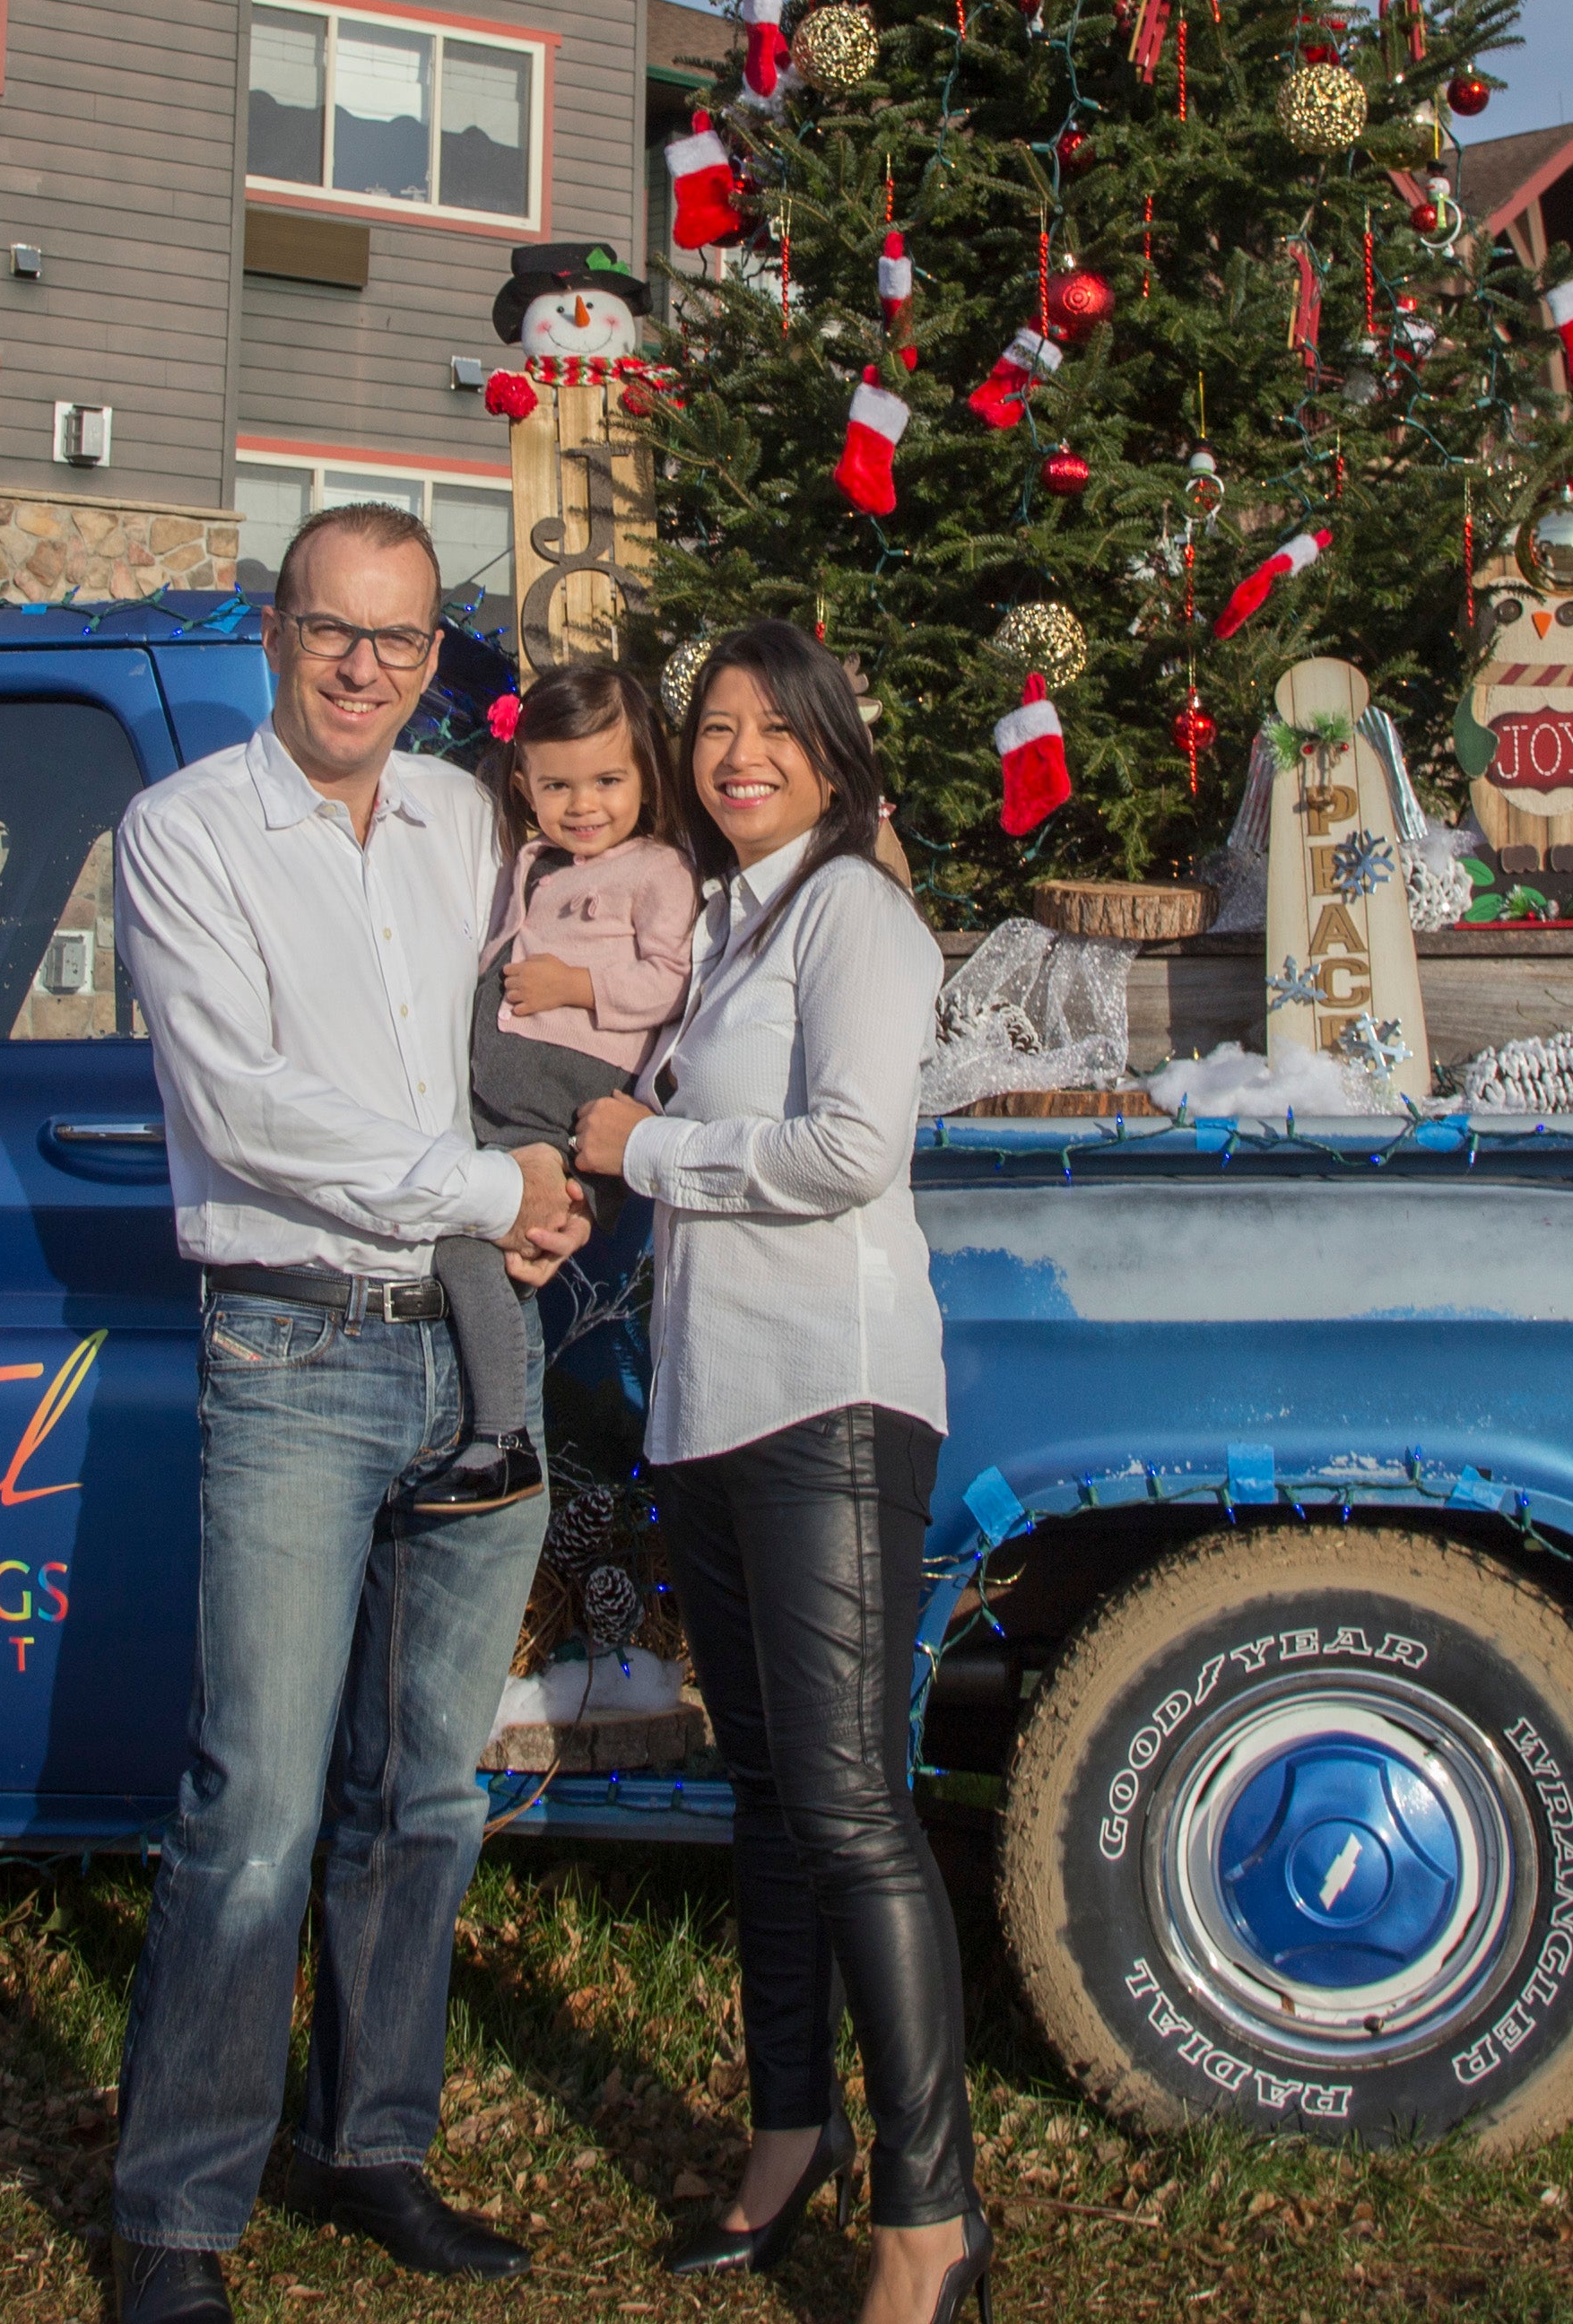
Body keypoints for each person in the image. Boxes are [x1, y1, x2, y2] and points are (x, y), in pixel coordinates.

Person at [108, 504, 590, 2324]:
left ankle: (375, 2145)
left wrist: (568, 1173)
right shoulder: (184, 835)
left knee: (427, 1796)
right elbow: (246, 1110)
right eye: (334, 631)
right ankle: (177, 2213)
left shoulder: (467, 822)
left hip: (477, 1347)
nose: (366, 667)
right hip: (296, 1353)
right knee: (255, 1801)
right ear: (276, 630)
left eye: (399, 640)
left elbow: (537, 1015)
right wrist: (489, 1189)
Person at [574, 621, 989, 2324]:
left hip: (829, 1395)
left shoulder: (853, 910)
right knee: (759, 1798)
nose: (738, 750)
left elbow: (849, 1147)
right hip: (709, 1407)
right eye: (715, 727)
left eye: (772, 727)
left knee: (848, 1807)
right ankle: (785, 2132)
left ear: (831, 746)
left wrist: (644, 1144)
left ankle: (930, 2212)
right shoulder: (731, 916)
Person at [408, 658, 698, 1516]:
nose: (585, 805)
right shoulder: (531, 861)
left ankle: (501, 1436)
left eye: (609, 780)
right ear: (523, 783)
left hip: (563, 1096)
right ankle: (489, 1430)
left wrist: (577, 987)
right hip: (503, 1098)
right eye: (558, 784)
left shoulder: (657, 870)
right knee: (488, 1238)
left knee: (471, 1245)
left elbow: (672, 983)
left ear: (646, 776)